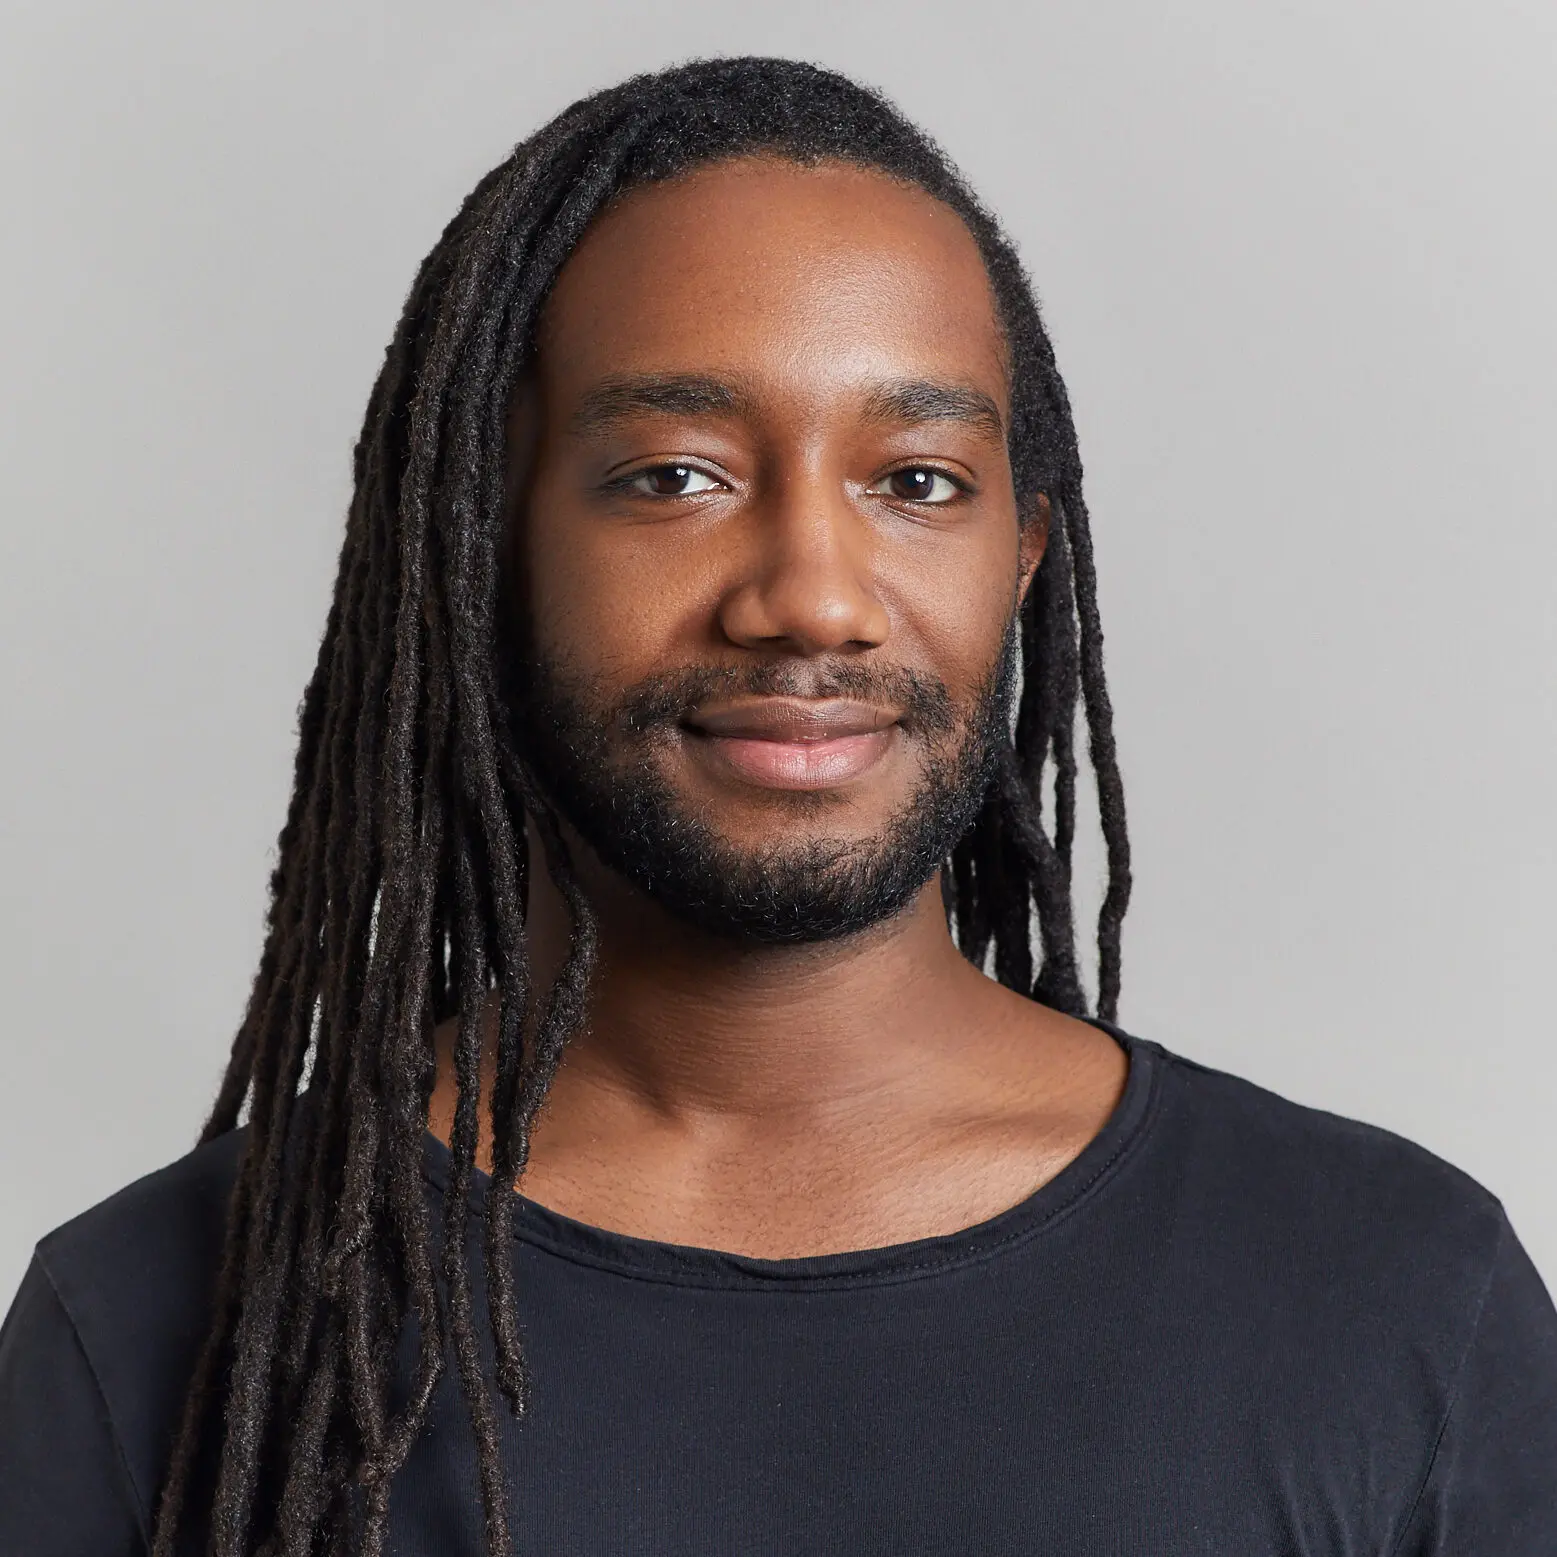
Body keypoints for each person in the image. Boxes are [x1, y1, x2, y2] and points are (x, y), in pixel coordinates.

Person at [1, 55, 1553, 1557]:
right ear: (480, 544)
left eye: (919, 480)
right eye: (676, 475)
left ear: (1022, 555)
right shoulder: (154, 1329)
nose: (812, 599)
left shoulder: (1397, 1292)